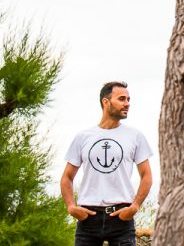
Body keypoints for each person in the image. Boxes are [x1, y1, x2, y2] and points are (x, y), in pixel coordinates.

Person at [60, 81, 153, 246]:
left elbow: (146, 176)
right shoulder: (83, 137)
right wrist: (71, 207)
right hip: (88, 218)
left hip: (121, 218)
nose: (127, 104)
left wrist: (135, 206)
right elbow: (67, 177)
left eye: (128, 99)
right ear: (106, 102)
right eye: (122, 99)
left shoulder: (135, 136)